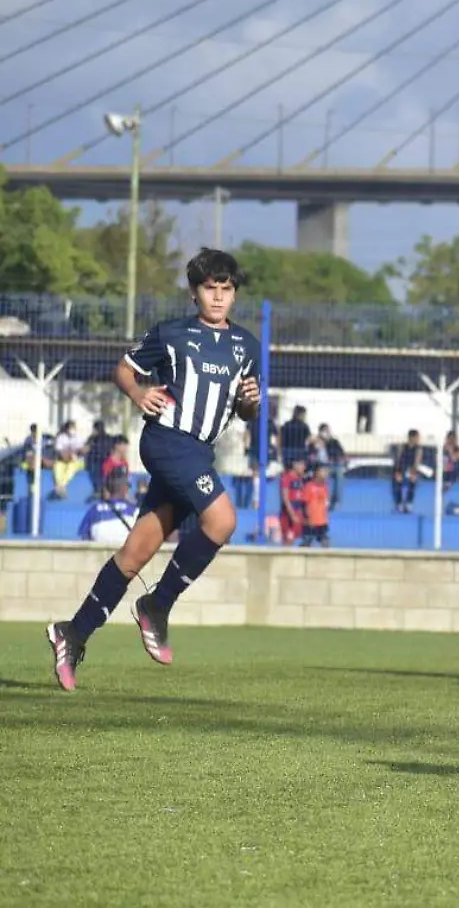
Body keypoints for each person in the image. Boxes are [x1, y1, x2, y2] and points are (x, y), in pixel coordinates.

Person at [46, 248, 263, 691]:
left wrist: (249, 403)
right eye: (210, 289)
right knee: (222, 520)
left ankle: (73, 632)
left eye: (226, 289)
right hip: (167, 441)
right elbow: (124, 370)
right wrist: (138, 392)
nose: (218, 297)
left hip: (198, 453)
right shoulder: (172, 334)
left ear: (234, 294)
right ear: (194, 293)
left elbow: (245, 413)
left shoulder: (248, 346)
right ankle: (157, 606)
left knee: (135, 554)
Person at [76, 474, 138, 548]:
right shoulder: (133, 510)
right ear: (124, 489)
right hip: (125, 554)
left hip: (98, 554)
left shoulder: (94, 509)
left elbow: (84, 536)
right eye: (128, 487)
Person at [300, 463, 332, 548]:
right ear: (316, 473)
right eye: (323, 471)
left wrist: (325, 518)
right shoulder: (309, 486)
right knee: (307, 542)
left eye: (326, 471)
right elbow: (304, 504)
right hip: (311, 521)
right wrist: (307, 518)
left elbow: (326, 503)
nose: (326, 473)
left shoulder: (325, 487)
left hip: (322, 522)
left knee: (325, 542)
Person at [278, 457, 307, 545]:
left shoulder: (299, 479)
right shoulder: (286, 478)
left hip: (298, 512)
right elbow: (285, 498)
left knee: (294, 537)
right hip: (288, 514)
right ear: (295, 465)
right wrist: (292, 514)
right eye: (302, 465)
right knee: (288, 539)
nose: (304, 467)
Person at [318, 422, 347, 509]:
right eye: (325, 431)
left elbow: (341, 453)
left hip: (335, 465)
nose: (327, 433)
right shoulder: (317, 441)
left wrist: (339, 459)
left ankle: (336, 499)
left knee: (340, 474)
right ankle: (325, 499)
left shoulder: (334, 441)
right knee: (323, 476)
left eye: (328, 431)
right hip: (322, 466)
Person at [392, 430, 422, 514]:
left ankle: (409, 503)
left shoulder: (418, 449)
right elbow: (398, 460)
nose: (418, 439)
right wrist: (398, 471)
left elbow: (417, 461)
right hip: (402, 468)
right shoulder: (402, 447)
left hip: (411, 469)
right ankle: (399, 503)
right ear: (412, 438)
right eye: (417, 437)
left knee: (413, 479)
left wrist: (413, 471)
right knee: (398, 479)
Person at [83, 421, 113, 498]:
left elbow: (86, 449)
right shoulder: (109, 438)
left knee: (97, 473)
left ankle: (98, 490)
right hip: (106, 461)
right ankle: (101, 490)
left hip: (96, 462)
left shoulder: (93, 439)